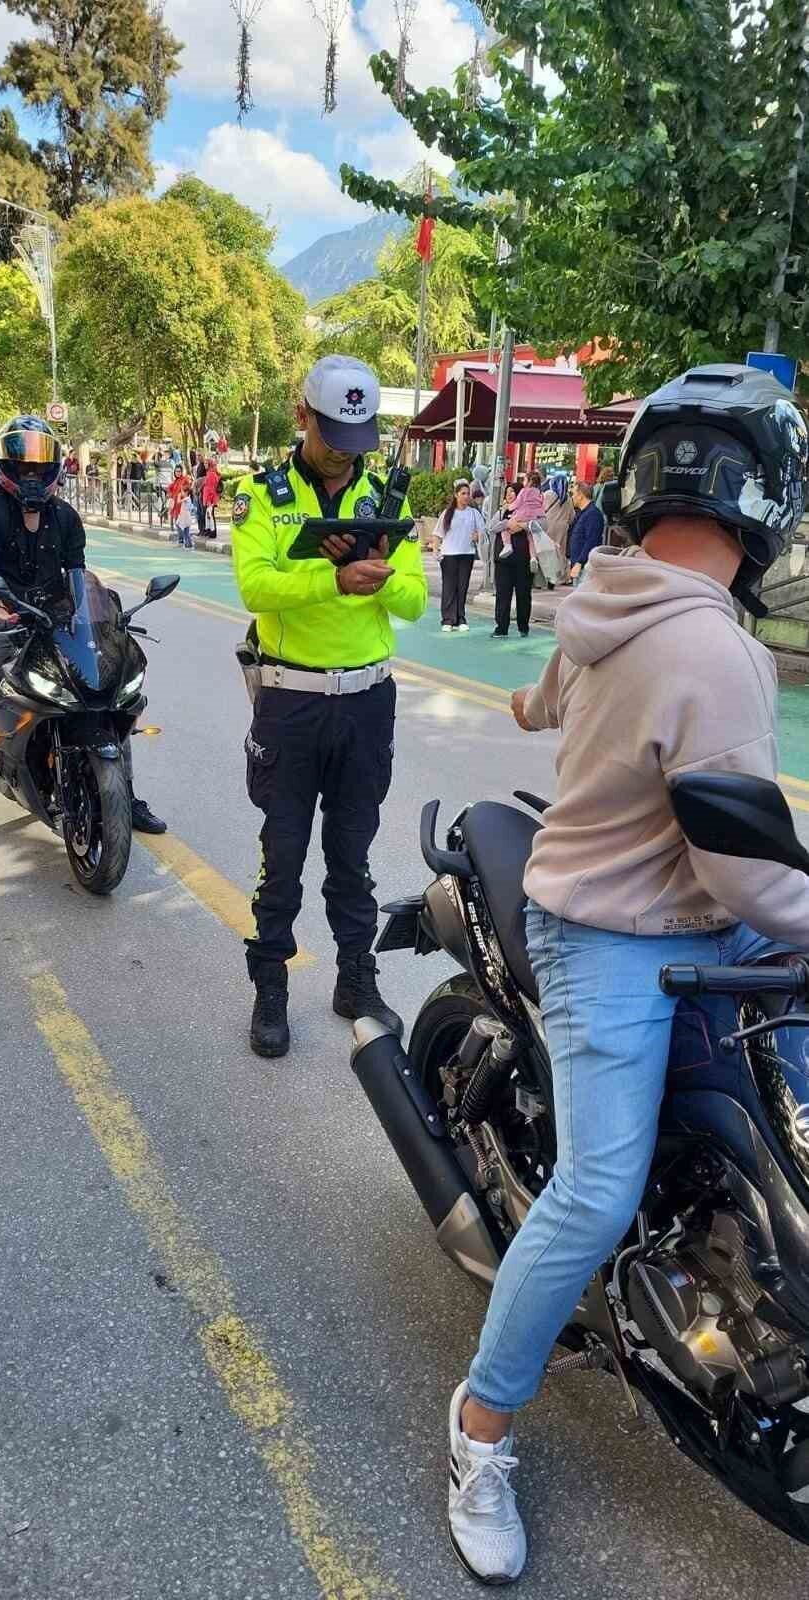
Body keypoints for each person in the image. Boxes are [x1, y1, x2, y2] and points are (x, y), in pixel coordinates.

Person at [447, 362, 809, 1585]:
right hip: (614, 933)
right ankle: (480, 1428)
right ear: (768, 499)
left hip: (686, 908)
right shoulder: (718, 651)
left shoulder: (606, 587)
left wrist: (530, 706)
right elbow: (748, 872)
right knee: (596, 1193)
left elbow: (556, 691)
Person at [230, 354, 427, 1059]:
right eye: (333, 435)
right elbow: (256, 586)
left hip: (367, 702)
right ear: (303, 416)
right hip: (291, 700)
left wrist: (375, 578)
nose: (345, 452)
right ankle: (270, 986)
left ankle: (356, 980)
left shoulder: (387, 501)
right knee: (282, 855)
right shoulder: (264, 495)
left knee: (352, 854)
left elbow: (415, 599)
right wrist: (332, 577)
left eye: (357, 438)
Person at [0, 416, 166, 863]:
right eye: (23, 466)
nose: (31, 474)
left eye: (39, 466)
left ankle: (124, 796)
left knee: (109, 701)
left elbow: (78, 575)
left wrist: (102, 612)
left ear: (53, 468)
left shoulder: (65, 517)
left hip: (56, 622)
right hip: (5, 623)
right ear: (7, 466)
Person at [431, 480, 485, 631]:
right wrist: (435, 551)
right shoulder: (447, 513)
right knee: (449, 587)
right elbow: (437, 534)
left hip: (467, 554)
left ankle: (461, 618)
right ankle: (448, 620)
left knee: (462, 587)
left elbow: (483, 531)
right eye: (463, 494)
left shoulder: (474, 513)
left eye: (468, 494)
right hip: (449, 555)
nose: (466, 496)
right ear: (456, 495)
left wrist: (478, 536)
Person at [489, 480, 536, 637]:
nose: (509, 495)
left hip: (523, 560)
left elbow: (539, 527)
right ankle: (501, 627)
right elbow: (491, 527)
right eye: (507, 492)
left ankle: (523, 627)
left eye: (513, 492)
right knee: (503, 594)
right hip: (503, 561)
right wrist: (505, 518)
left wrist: (522, 525)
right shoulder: (501, 511)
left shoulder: (528, 511)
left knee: (523, 595)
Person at [567, 479, 607, 581]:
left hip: (585, 567)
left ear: (580, 495)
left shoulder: (593, 514)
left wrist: (580, 562)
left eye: (573, 494)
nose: (572, 497)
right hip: (579, 565)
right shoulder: (583, 513)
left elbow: (591, 541)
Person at [541, 474, 573, 580]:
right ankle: (560, 576)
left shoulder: (548, 494)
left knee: (547, 551)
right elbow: (572, 516)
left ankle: (546, 576)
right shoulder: (568, 498)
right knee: (560, 552)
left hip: (548, 525)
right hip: (562, 528)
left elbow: (541, 510)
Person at [168, 463, 195, 547]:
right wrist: (171, 495)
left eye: (179, 471)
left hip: (182, 505)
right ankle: (183, 540)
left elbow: (189, 488)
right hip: (176, 505)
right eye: (176, 471)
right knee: (178, 523)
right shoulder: (175, 481)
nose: (178, 473)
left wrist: (182, 492)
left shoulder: (185, 479)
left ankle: (184, 541)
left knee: (181, 524)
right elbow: (170, 488)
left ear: (182, 471)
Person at [201, 456, 222, 538]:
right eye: (204, 463)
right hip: (209, 499)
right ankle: (210, 531)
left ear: (210, 464)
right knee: (209, 515)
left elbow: (211, 489)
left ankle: (212, 532)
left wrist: (209, 501)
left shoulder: (211, 474)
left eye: (206, 463)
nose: (205, 465)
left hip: (210, 499)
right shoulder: (210, 473)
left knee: (210, 515)